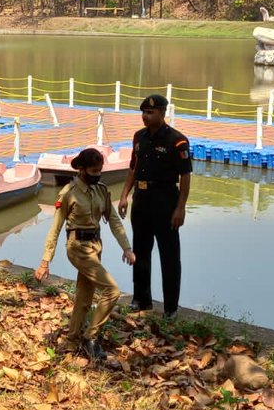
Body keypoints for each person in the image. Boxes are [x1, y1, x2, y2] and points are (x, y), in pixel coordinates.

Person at [35, 148, 135, 363]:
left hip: (95, 246)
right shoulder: (69, 192)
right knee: (112, 290)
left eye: (100, 170)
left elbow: (114, 220)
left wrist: (126, 247)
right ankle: (91, 337)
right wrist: (45, 261)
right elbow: (55, 228)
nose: (97, 174)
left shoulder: (101, 190)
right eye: (93, 170)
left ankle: (72, 340)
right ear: (81, 169)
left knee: (84, 296)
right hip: (77, 247)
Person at [118, 93, 191, 317]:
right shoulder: (139, 137)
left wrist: (180, 208)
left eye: (150, 112)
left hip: (165, 201)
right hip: (141, 200)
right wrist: (124, 196)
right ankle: (141, 299)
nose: (145, 116)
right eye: (143, 112)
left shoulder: (177, 141)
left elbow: (185, 175)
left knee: (169, 257)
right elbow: (133, 167)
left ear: (162, 113)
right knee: (140, 252)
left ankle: (170, 308)